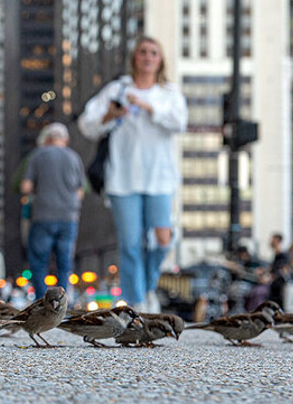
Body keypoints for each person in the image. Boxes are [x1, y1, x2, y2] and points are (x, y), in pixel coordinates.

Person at [77, 36, 188, 314]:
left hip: (160, 177)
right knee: (130, 243)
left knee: (164, 237)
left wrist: (150, 107)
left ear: (160, 60)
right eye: (142, 52)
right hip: (123, 179)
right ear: (134, 57)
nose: (148, 57)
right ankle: (137, 300)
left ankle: (148, 286)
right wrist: (111, 115)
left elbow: (180, 122)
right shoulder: (117, 89)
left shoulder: (169, 93)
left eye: (153, 52)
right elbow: (87, 124)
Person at [20, 122, 84, 299]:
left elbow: (26, 186)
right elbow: (80, 190)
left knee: (39, 262)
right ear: (66, 139)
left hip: (43, 216)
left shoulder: (38, 155)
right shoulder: (74, 157)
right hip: (69, 217)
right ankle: (61, 304)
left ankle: (42, 302)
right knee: (64, 263)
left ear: (47, 139)